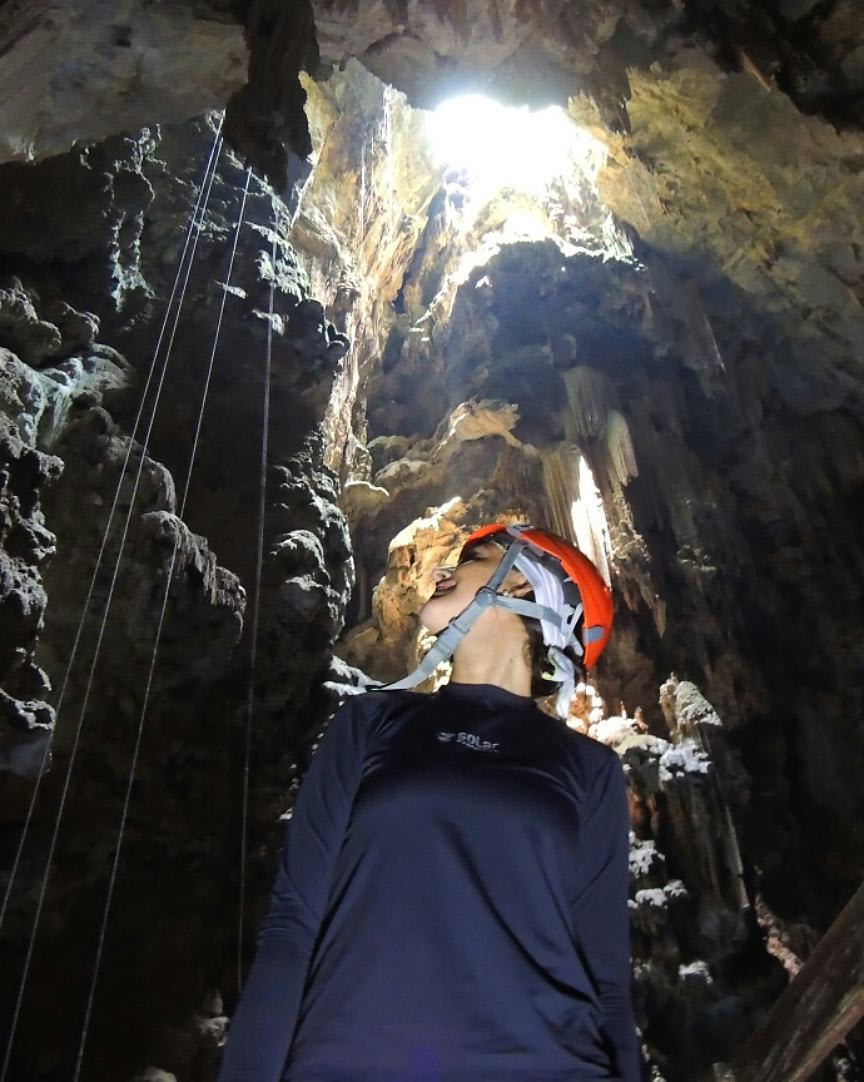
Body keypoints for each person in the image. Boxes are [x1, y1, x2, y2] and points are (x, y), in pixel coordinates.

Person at [217, 523, 642, 1082]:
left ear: (518, 583)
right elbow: (292, 927)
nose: (441, 571)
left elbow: (607, 976)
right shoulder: (370, 723)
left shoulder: (591, 770)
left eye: (472, 558)